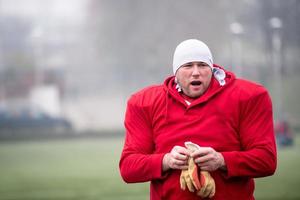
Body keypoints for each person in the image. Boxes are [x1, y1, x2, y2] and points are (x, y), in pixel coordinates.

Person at [119, 39, 277, 200]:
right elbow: (128, 168)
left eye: (202, 65)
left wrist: (222, 160)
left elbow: (266, 160)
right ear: (176, 71)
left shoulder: (249, 96)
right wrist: (166, 160)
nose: (196, 72)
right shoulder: (145, 102)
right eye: (188, 65)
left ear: (212, 67)